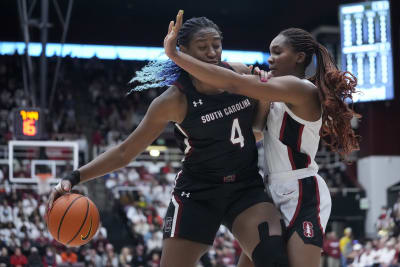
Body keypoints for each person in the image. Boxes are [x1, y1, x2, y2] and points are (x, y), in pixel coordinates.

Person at [47, 13, 288, 267]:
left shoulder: (239, 74)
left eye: (216, 45)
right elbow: (124, 153)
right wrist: (74, 177)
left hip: (244, 187)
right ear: (183, 51)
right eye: (203, 47)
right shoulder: (173, 100)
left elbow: (257, 132)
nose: (212, 52)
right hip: (198, 193)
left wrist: (263, 94)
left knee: (274, 257)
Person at [164, 10, 360, 267]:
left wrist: (175, 55)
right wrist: (262, 97)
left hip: (301, 191)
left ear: (299, 57)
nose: (271, 58)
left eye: (278, 52)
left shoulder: (300, 88)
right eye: (270, 51)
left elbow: (233, 84)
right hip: (270, 189)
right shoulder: (277, 91)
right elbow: (255, 132)